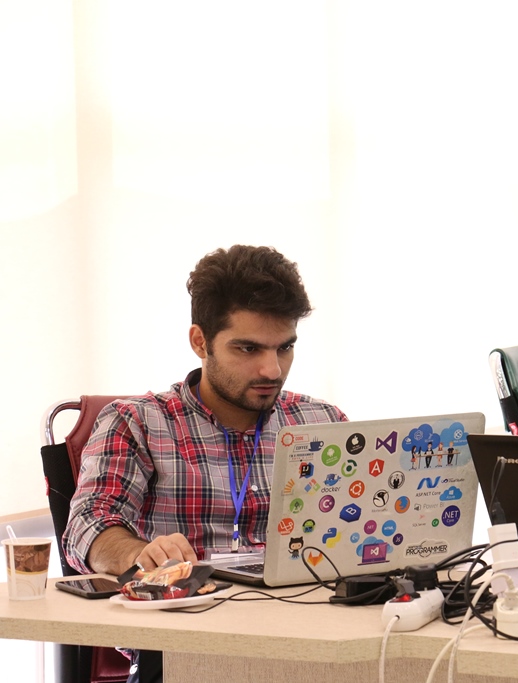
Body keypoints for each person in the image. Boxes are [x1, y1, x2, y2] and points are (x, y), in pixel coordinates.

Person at [63, 245, 346, 682]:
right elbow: (87, 525)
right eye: (248, 348)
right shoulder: (138, 422)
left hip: (309, 639)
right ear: (200, 341)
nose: (272, 369)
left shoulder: (322, 422)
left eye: (285, 347)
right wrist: (139, 554)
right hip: (185, 647)